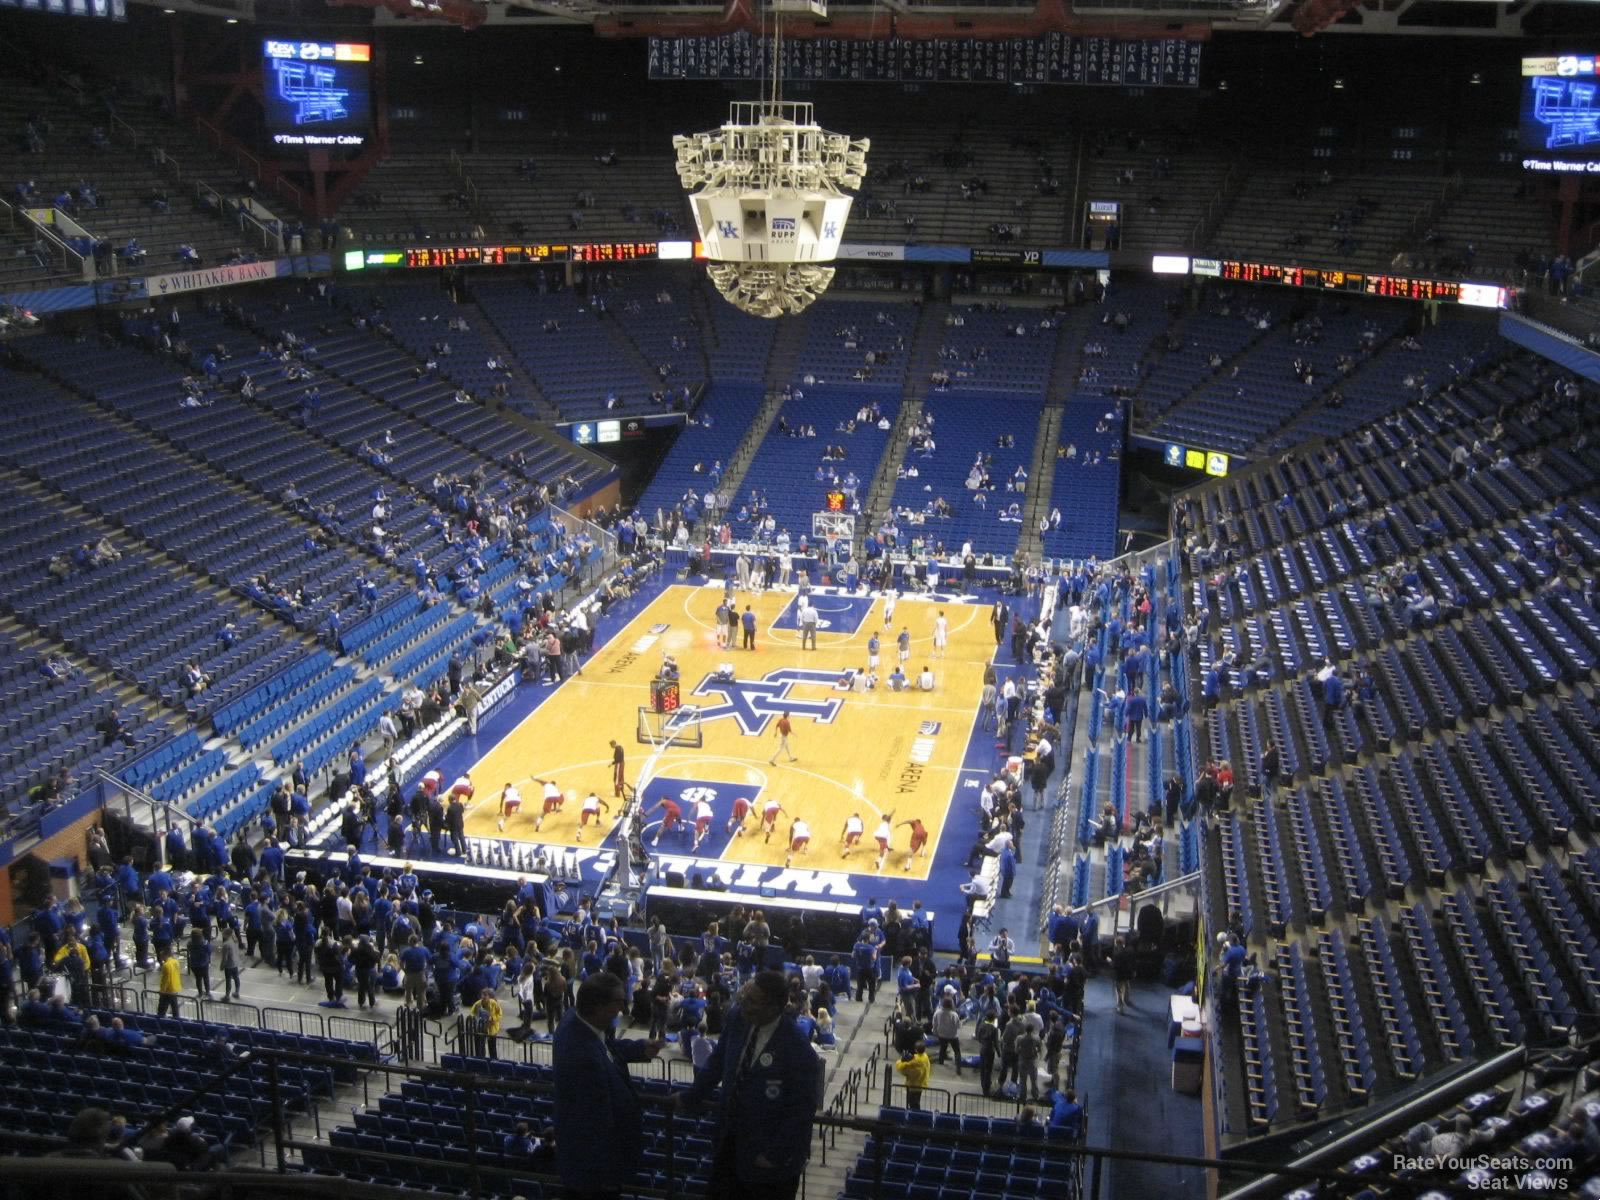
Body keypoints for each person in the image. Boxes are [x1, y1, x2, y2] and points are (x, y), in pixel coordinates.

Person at [678, 970, 820, 1200]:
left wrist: (773, 1155)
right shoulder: (737, 1018)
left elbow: (802, 1110)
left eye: (753, 1001)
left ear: (774, 1008)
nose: (744, 1004)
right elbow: (718, 1061)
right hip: (729, 1146)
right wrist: (692, 1095)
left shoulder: (798, 1050)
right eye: (745, 997)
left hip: (769, 1166)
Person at [553, 972, 666, 1199]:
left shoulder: (578, 1022)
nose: (622, 1009)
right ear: (598, 1006)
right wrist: (610, 1179)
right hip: (595, 1176)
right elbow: (598, 1124)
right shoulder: (584, 1058)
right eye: (618, 1003)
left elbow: (606, 1049)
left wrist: (639, 1048)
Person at [895, 1043, 932, 1110]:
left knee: (913, 1105)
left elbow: (902, 1069)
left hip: (913, 1086)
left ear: (916, 1050)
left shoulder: (914, 1062)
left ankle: (914, 1117)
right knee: (916, 1102)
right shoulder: (925, 1057)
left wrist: (901, 1061)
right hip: (921, 1084)